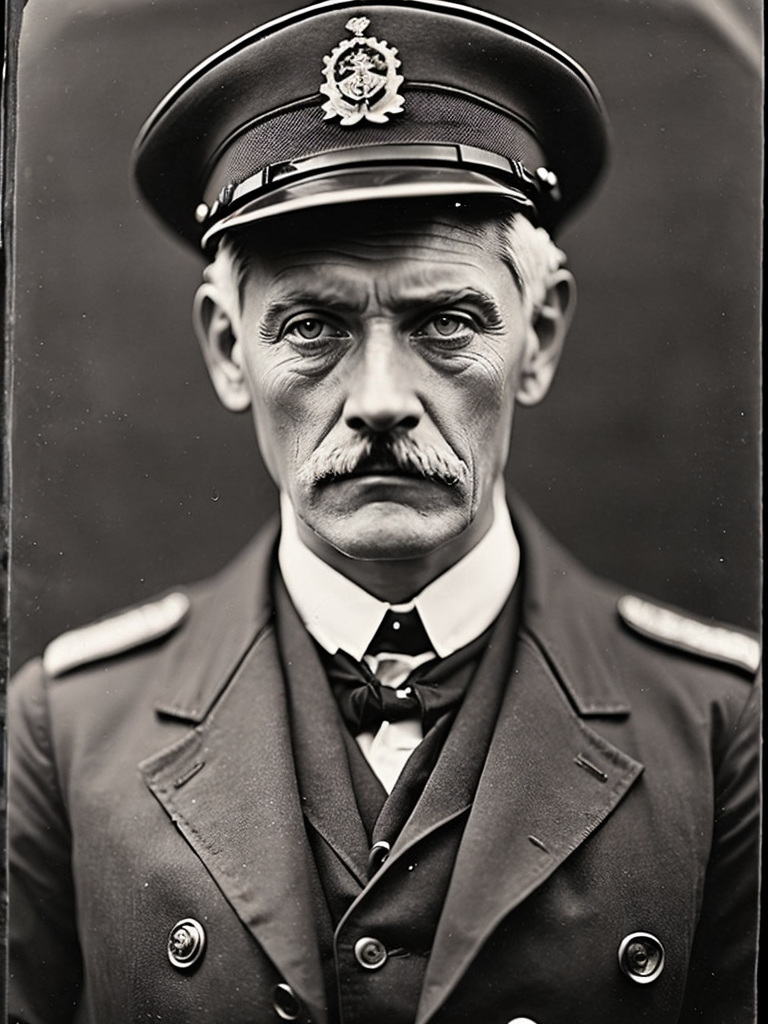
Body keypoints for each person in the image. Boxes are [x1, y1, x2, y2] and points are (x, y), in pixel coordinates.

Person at [7, 2, 760, 1023]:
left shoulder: (720, 731)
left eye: (444, 322)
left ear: (538, 336)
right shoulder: (67, 730)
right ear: (230, 350)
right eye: (312, 327)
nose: (378, 400)